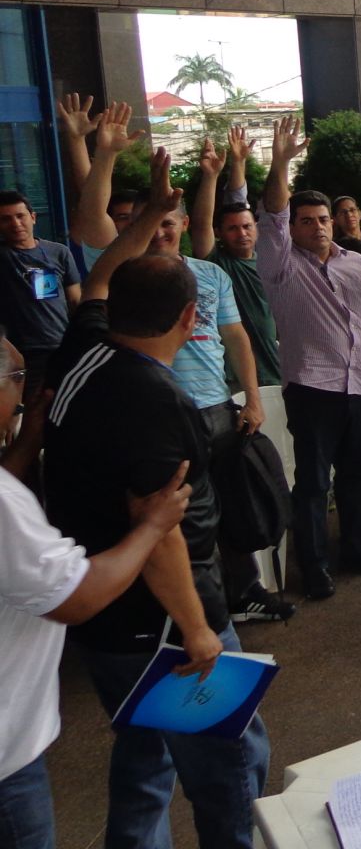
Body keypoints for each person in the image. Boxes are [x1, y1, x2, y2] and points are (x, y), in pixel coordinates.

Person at [44, 153, 270, 849]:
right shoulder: (154, 399)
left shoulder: (86, 341)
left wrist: (147, 213)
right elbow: (162, 527)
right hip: (164, 630)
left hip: (111, 628)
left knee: (145, 761)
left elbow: (103, 273)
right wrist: (199, 630)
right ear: (190, 318)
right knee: (231, 763)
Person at [73, 116, 289, 628]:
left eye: (173, 221)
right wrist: (98, 154)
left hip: (216, 408)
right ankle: (193, 614)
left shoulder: (209, 274)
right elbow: (90, 223)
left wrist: (251, 399)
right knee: (180, 521)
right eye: (155, 220)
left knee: (229, 508)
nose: (165, 229)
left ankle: (244, 591)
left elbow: (234, 336)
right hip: (159, 414)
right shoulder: (122, 276)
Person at [2, 344, 192, 849]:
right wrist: (151, 528)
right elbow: (77, 596)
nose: (23, 393)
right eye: (17, 377)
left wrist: (25, 445)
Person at [258, 116, 361, 601]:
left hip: (358, 384)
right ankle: (314, 566)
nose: (316, 227)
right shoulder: (279, 266)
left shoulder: (355, 262)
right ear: (292, 227)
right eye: (306, 221)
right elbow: (272, 216)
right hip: (313, 387)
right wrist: (280, 162)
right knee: (315, 482)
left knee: (359, 474)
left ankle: (357, 548)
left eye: (322, 219)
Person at [189, 125, 283, 394]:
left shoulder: (271, 260)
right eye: (232, 228)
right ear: (219, 233)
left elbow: (238, 200)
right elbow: (200, 225)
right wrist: (211, 176)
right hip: (234, 380)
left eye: (246, 226)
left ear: (256, 227)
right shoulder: (216, 264)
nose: (241, 233)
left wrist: (239, 162)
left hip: (277, 369)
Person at [0, 188, 80, 402]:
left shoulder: (59, 252)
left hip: (63, 347)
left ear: (33, 217)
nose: (15, 224)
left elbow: (75, 300)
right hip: (24, 355)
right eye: (6, 219)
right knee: (34, 412)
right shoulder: (4, 257)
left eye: (20, 216)